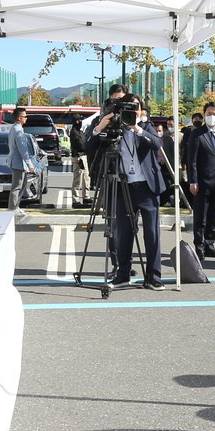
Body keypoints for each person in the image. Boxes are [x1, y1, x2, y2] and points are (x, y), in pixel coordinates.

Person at [86, 94, 165, 291]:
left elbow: (157, 144)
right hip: (123, 187)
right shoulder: (114, 128)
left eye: (137, 107)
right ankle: (122, 275)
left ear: (141, 110)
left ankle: (153, 276)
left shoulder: (146, 127)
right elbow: (90, 145)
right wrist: (100, 126)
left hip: (147, 187)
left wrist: (136, 128)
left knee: (152, 234)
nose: (133, 111)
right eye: (129, 108)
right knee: (123, 233)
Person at [188, 103, 215, 259]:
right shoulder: (197, 134)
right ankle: (199, 246)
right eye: (208, 113)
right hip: (202, 182)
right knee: (201, 217)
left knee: (213, 215)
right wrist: (193, 181)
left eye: (214, 113)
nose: (211, 116)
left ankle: (209, 244)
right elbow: (191, 159)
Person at [6, 107, 40, 218]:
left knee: (22, 185)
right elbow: (22, 149)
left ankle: (16, 206)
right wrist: (30, 164)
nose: (26, 118)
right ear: (20, 118)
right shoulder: (17, 130)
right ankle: (12, 208)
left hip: (18, 162)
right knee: (17, 186)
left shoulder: (16, 129)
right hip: (18, 163)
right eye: (25, 116)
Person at [69, 119, 92, 209]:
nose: (80, 122)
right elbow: (81, 145)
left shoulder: (80, 132)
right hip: (78, 157)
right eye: (77, 120)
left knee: (86, 177)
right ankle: (76, 201)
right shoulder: (74, 132)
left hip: (84, 156)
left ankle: (86, 197)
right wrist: (87, 145)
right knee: (77, 179)